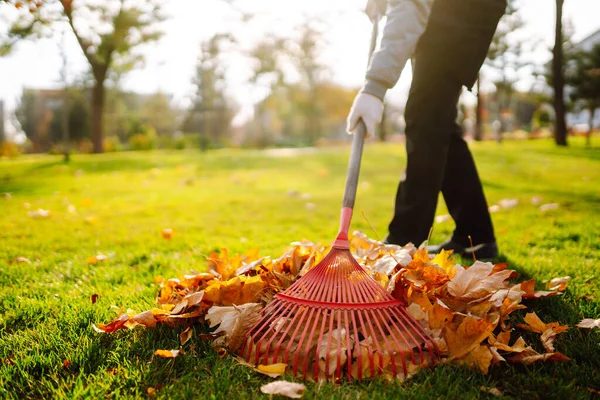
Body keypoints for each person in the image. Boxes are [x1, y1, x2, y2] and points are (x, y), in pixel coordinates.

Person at [347, 0, 507, 259]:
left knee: (425, 120)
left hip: (459, 13)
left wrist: (374, 88)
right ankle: (475, 236)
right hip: (460, 13)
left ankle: (404, 241)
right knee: (437, 123)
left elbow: (410, 9)